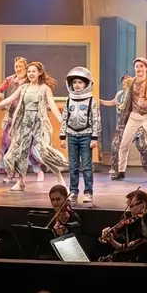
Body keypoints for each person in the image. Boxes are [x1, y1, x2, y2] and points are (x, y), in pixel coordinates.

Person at [0, 61, 69, 191]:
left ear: (40, 72)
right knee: (21, 152)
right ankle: (20, 181)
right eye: (29, 71)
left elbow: (51, 104)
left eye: (33, 71)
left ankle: (59, 178)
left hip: (38, 124)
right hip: (25, 123)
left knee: (44, 151)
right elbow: (10, 99)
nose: (30, 74)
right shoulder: (24, 88)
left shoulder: (44, 88)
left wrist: (61, 119)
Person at [0, 56, 45, 181]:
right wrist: (1, 100)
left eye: (20, 67)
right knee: (8, 145)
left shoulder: (29, 81)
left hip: (26, 115)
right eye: (16, 66)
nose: (18, 69)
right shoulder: (10, 79)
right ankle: (10, 173)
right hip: (12, 115)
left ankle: (38, 170)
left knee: (29, 145)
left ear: (25, 67)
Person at [59, 66, 102, 203]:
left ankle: (88, 192)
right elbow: (64, 118)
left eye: (80, 82)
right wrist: (62, 136)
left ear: (86, 84)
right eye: (75, 82)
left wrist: (94, 138)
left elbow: (96, 120)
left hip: (86, 136)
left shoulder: (91, 101)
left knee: (87, 166)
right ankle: (73, 191)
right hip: (72, 136)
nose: (77, 85)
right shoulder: (68, 100)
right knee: (73, 166)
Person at [101, 74, 147, 178]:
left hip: (135, 123)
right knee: (116, 145)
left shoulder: (137, 94)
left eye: (128, 81)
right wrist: (99, 101)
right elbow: (113, 102)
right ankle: (114, 168)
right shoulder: (119, 94)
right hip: (122, 124)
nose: (126, 83)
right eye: (124, 82)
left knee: (142, 145)